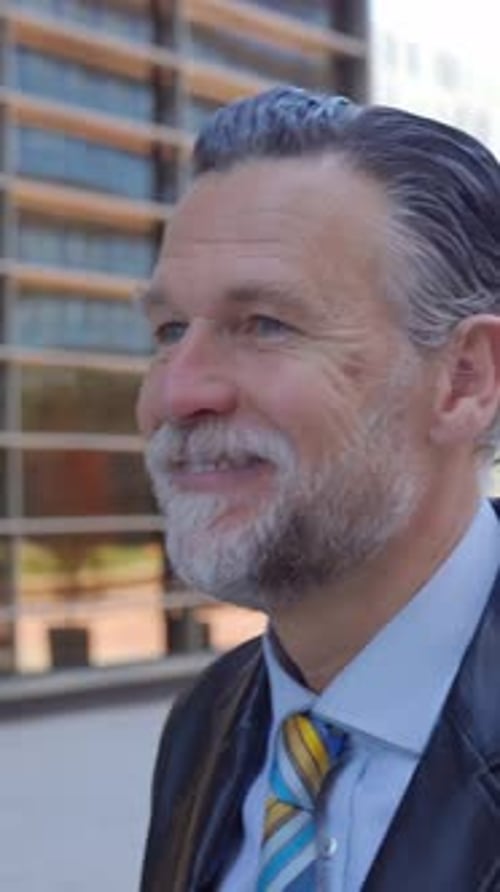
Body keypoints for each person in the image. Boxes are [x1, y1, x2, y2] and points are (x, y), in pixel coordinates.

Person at [137, 87, 500, 892]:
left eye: (264, 323)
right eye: (168, 332)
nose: (177, 392)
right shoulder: (208, 724)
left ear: (464, 380)